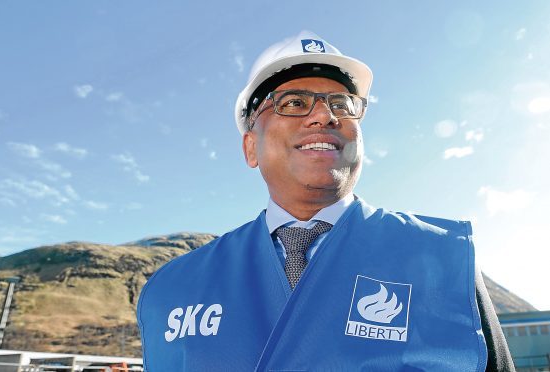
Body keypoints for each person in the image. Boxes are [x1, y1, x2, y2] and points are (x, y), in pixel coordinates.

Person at [137, 31, 514, 371]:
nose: (324, 115)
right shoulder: (173, 288)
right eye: (294, 101)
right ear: (251, 146)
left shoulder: (444, 258)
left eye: (343, 103)